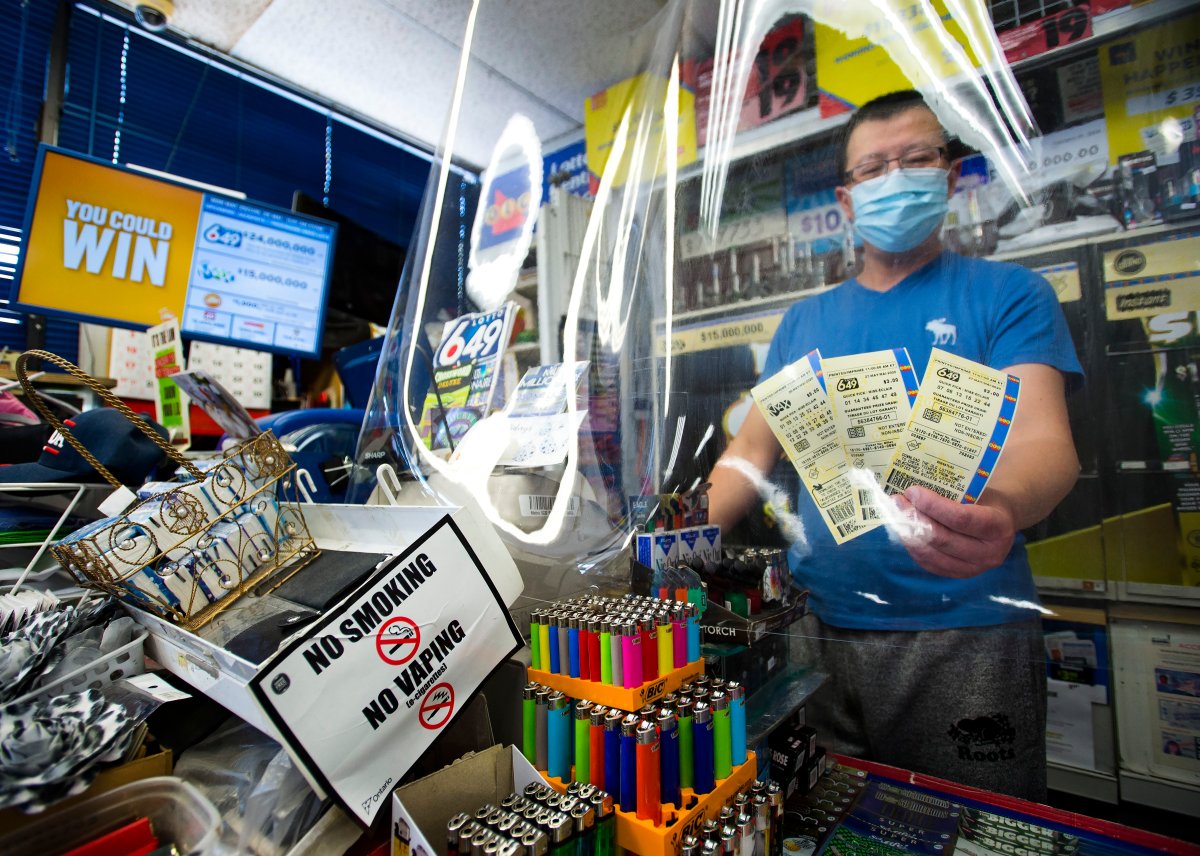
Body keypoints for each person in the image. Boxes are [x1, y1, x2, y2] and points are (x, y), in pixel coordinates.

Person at [706, 90, 1082, 801]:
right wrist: (674, 537)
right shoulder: (802, 323)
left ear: (949, 172)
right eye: (874, 169)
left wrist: (1000, 507)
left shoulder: (1009, 295)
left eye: (917, 158)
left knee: (972, 832)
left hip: (966, 633)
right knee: (823, 818)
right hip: (820, 632)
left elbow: (1044, 441)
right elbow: (748, 453)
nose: (897, 178)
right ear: (847, 202)